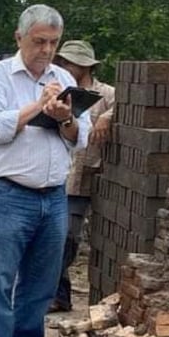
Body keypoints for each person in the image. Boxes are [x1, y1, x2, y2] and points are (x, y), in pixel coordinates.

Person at [0, 4, 92, 337]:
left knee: (41, 282)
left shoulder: (63, 80)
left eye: (53, 43)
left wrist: (64, 118)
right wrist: (38, 107)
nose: (46, 50)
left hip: (52, 196)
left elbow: (82, 136)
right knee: (0, 280)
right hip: (6, 194)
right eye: (39, 41)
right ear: (19, 37)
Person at [48, 40, 115, 313]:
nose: (64, 66)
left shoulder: (106, 93)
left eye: (69, 63)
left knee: (69, 238)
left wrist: (107, 117)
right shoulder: (61, 91)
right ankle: (58, 295)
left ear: (86, 65)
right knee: (57, 238)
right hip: (59, 174)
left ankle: (56, 293)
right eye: (62, 62)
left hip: (85, 177)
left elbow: (128, 107)